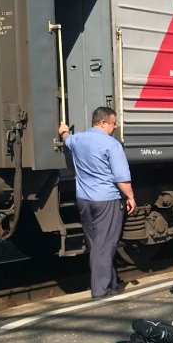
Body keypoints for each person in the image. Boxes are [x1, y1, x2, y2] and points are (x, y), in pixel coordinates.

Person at [57, 107, 136, 298]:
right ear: (102, 123)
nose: (115, 126)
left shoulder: (79, 139)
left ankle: (111, 282)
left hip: (84, 200)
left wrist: (63, 130)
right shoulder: (112, 145)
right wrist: (131, 197)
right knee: (105, 244)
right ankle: (101, 291)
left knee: (95, 243)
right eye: (113, 122)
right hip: (106, 200)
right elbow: (122, 179)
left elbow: (66, 138)